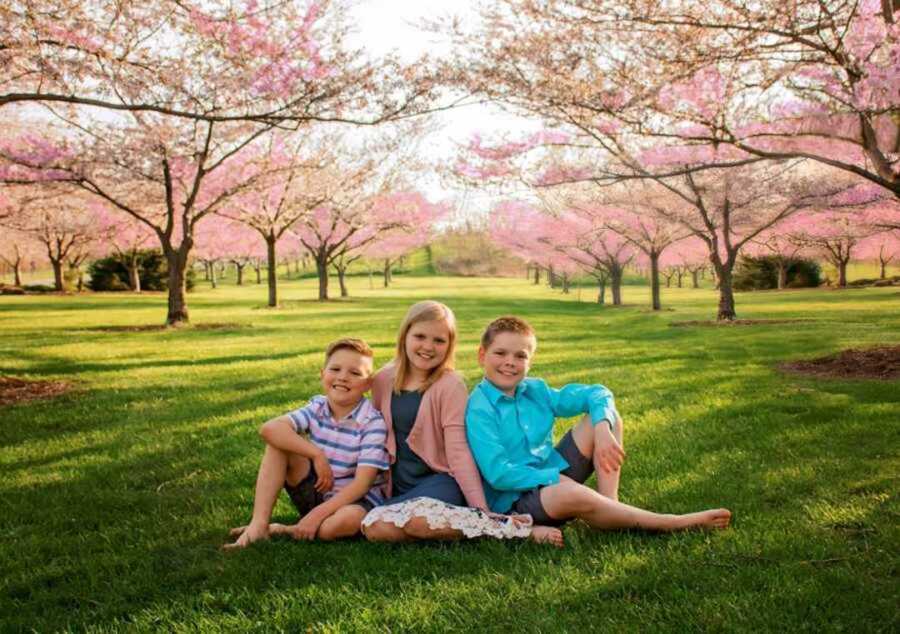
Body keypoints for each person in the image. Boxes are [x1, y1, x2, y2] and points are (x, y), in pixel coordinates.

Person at [465, 316, 732, 532]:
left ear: (530, 361)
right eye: (500, 353)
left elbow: (598, 393)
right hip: (517, 499)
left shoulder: (536, 390)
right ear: (482, 355)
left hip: (551, 475)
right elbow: (499, 474)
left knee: (607, 416)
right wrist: (551, 478)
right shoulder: (479, 408)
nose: (510, 362)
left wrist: (603, 430)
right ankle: (670, 523)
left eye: (520, 356)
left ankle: (610, 506)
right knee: (572, 495)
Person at [361, 301, 562, 546]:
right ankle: (450, 527)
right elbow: (371, 434)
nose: (428, 347)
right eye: (420, 336)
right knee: (375, 528)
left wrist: (480, 507)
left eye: (439, 340)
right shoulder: (383, 379)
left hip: (443, 482)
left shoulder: (450, 385)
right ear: (405, 336)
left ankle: (507, 528)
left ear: (449, 345)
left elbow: (458, 451)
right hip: (400, 487)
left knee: (416, 520)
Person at [225, 338, 389, 548]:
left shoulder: (372, 422)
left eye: (355, 373)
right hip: (318, 489)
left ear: (367, 384)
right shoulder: (318, 407)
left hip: (352, 501)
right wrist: (316, 454)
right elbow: (270, 429)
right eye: (335, 369)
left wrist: (317, 515)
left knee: (347, 521)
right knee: (279, 444)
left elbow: (361, 484)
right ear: (323, 374)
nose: (343, 377)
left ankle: (287, 529)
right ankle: (258, 524)